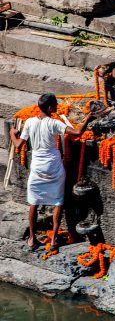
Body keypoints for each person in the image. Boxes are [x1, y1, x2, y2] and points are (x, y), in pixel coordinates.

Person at [10, 93, 94, 252]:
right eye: (55, 105)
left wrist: (12, 134)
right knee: (57, 201)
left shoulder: (29, 122)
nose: (57, 107)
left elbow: (19, 144)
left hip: (37, 167)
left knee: (33, 202)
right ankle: (54, 238)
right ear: (49, 108)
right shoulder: (54, 123)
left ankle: (32, 238)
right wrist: (88, 119)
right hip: (54, 167)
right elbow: (77, 132)